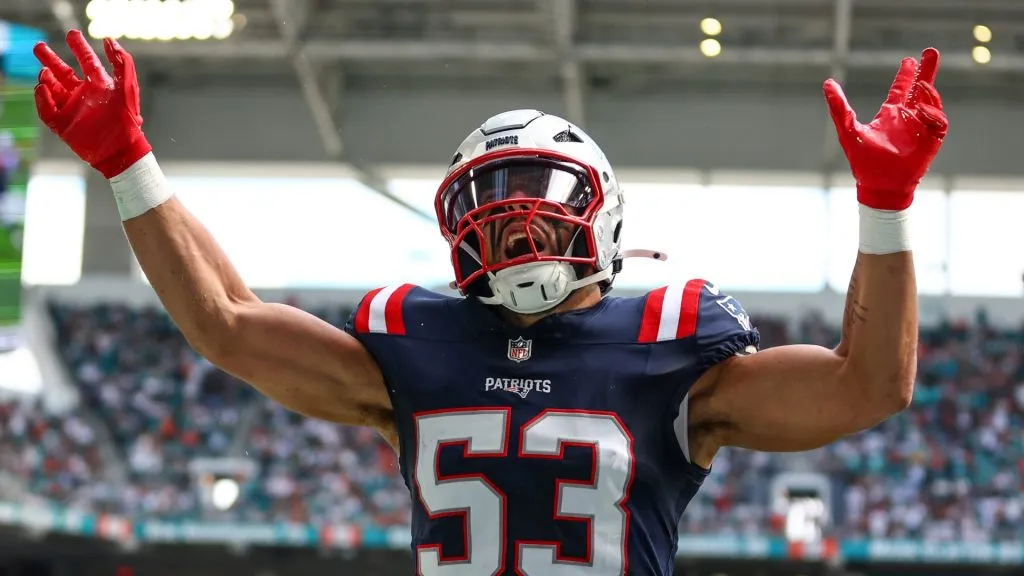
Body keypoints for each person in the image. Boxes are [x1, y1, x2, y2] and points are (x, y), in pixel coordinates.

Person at [34, 30, 947, 576]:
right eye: (492, 201)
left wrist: (886, 208)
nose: (513, 222)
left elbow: (868, 386)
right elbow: (225, 322)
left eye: (537, 194)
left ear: (601, 212)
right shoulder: (413, 346)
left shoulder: (673, 345)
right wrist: (128, 168)